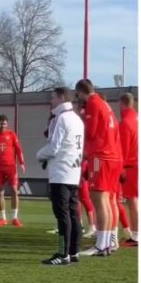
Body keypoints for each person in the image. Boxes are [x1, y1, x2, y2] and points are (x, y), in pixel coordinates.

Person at [36, 87, 85, 265]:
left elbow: (54, 147)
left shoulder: (61, 118)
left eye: (53, 97)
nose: (51, 101)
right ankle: (74, 251)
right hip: (73, 172)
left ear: (61, 97)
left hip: (60, 172)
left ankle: (63, 252)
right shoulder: (77, 119)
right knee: (73, 212)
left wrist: (39, 154)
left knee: (62, 214)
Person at [74, 80, 123, 257]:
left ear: (80, 92)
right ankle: (108, 242)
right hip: (112, 157)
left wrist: (81, 118)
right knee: (108, 200)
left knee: (99, 200)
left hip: (100, 157)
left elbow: (91, 132)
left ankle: (101, 245)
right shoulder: (104, 104)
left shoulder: (93, 105)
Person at [118, 93, 139, 247]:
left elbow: (123, 149)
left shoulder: (125, 122)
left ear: (122, 104)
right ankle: (135, 233)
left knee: (132, 201)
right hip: (136, 163)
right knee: (134, 200)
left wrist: (120, 168)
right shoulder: (137, 119)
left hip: (131, 165)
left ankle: (136, 236)